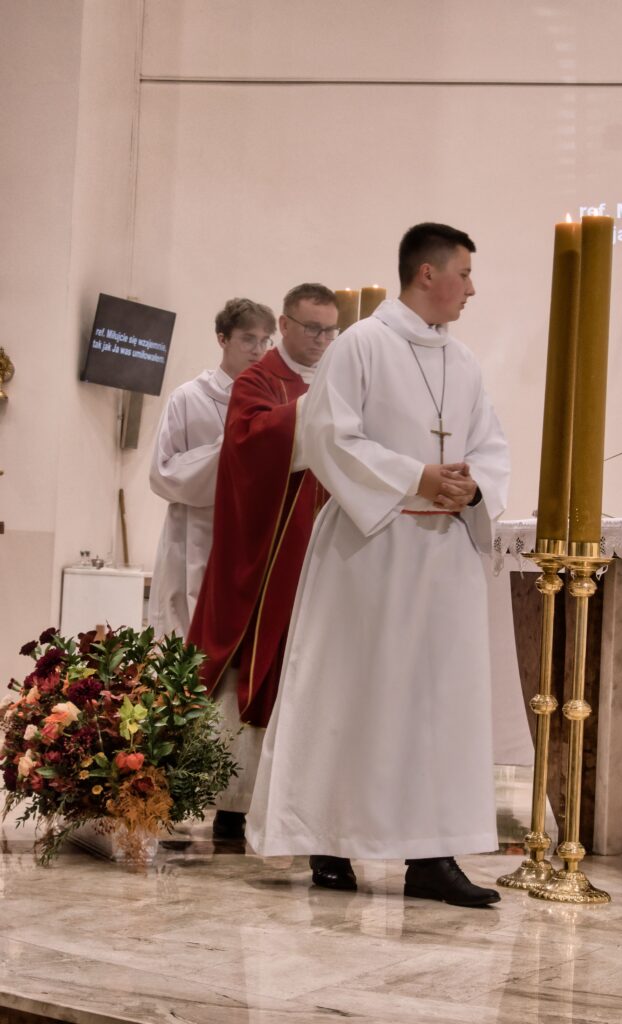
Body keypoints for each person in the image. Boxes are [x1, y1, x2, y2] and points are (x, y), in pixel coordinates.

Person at [246, 224, 510, 907]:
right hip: (370, 551)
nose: (471, 289)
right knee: (353, 694)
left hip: (443, 552)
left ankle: (432, 855)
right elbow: (328, 435)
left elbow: (491, 445)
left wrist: (472, 488)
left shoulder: (464, 362)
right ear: (427, 274)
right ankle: (330, 839)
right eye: (464, 273)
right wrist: (417, 477)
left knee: (435, 706)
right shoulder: (362, 344)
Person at [188, 283, 339, 839]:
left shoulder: (335, 382)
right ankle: (234, 802)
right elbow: (249, 447)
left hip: (323, 552)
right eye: (312, 328)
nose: (321, 339)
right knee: (250, 664)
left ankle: (299, 800)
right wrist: (314, 410)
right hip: (267, 554)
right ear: (286, 324)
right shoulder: (258, 381)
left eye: (330, 330)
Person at [148, 298, 275, 639]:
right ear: (222, 339)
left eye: (265, 340)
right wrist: (227, 452)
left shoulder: (272, 402)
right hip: (194, 536)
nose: (258, 350)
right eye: (248, 339)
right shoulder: (188, 397)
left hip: (251, 540)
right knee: (187, 639)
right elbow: (162, 473)